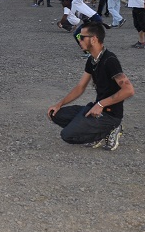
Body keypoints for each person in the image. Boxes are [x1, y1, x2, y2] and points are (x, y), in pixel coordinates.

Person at [47, 22, 135, 151]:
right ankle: (94, 132)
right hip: (95, 110)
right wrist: (59, 104)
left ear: (94, 39)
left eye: (81, 37)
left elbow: (129, 90)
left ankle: (110, 130)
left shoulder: (109, 60)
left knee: (67, 135)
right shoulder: (92, 60)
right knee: (55, 114)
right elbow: (80, 87)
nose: (79, 40)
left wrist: (101, 105)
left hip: (110, 115)